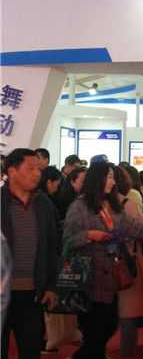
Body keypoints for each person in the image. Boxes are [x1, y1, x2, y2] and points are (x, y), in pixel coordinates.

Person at [63, 161, 143, 359]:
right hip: (89, 279)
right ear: (98, 179)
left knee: (107, 327)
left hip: (110, 279)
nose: (113, 182)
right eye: (110, 177)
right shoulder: (79, 206)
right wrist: (89, 235)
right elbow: (68, 241)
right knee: (95, 332)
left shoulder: (113, 205)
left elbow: (135, 228)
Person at [1, 149, 59, 359]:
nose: (37, 174)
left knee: (31, 348)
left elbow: (52, 247)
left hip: (33, 291)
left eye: (39, 169)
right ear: (12, 171)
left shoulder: (43, 204)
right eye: (31, 168)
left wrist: (51, 286)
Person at [113, 166, 143, 359]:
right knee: (128, 315)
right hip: (127, 262)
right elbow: (141, 230)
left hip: (104, 263)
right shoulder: (128, 202)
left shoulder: (89, 203)